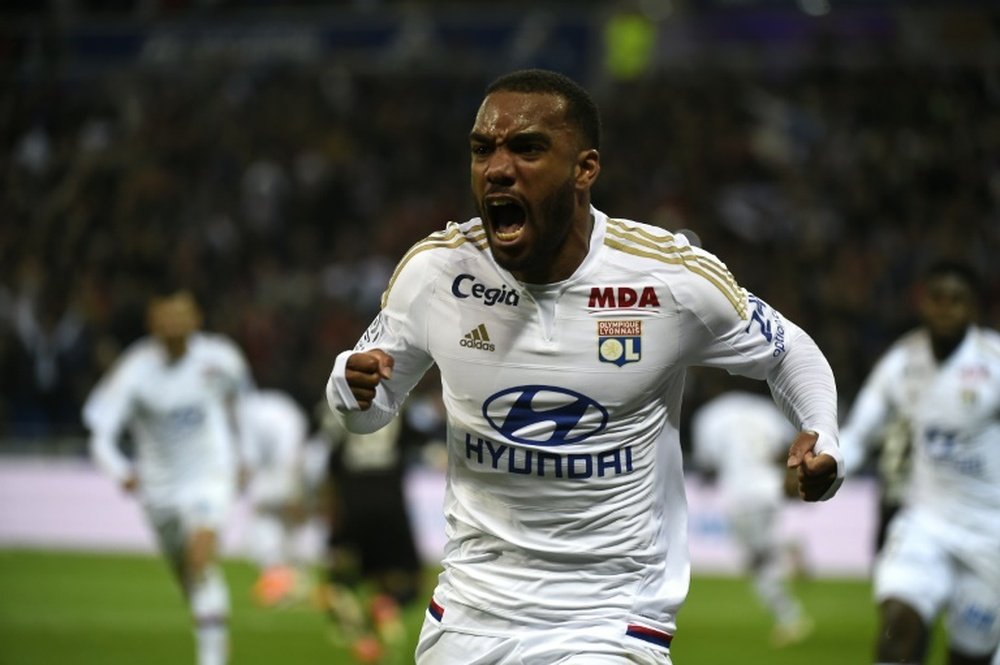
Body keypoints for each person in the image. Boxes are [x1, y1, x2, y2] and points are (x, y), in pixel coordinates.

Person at [324, 68, 842, 664]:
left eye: (527, 148)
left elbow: (789, 351)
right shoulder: (434, 274)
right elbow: (366, 412)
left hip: (610, 617)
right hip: (468, 613)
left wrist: (821, 432)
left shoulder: (668, 279)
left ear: (584, 169)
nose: (497, 167)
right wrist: (351, 386)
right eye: (482, 149)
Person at [837, 260, 1000, 665]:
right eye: (937, 299)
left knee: (968, 657)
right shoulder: (902, 361)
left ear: (973, 308)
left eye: (957, 300)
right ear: (922, 303)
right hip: (924, 521)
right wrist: (829, 462)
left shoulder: (994, 362)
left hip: (989, 534)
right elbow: (860, 433)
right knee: (898, 631)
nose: (945, 309)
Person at [83, 287, 252, 665]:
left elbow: (244, 403)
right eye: (166, 317)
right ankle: (209, 629)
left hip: (211, 474)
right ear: (152, 323)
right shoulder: (134, 370)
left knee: (201, 558)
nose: (174, 324)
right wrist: (120, 470)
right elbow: (99, 433)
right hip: (159, 490)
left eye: (181, 315)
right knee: (190, 578)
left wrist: (246, 456)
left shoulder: (220, 358)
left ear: (196, 319)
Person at [318, 391, 444, 664]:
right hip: (389, 503)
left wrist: (331, 512)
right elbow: (424, 445)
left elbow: (332, 465)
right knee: (410, 579)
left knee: (344, 573)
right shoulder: (399, 410)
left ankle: (356, 627)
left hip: (353, 503)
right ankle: (385, 605)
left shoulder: (346, 411)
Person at [690, 388, 813, 648]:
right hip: (770, 489)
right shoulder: (766, 410)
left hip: (743, 495)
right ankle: (787, 551)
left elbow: (706, 462)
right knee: (761, 557)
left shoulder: (710, 416)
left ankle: (791, 617)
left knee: (755, 563)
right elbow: (785, 452)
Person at [237, 388, 316, 607]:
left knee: (263, 514)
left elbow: (250, 456)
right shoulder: (271, 407)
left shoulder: (247, 412)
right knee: (284, 520)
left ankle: (278, 578)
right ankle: (292, 577)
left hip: (283, 463)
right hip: (291, 460)